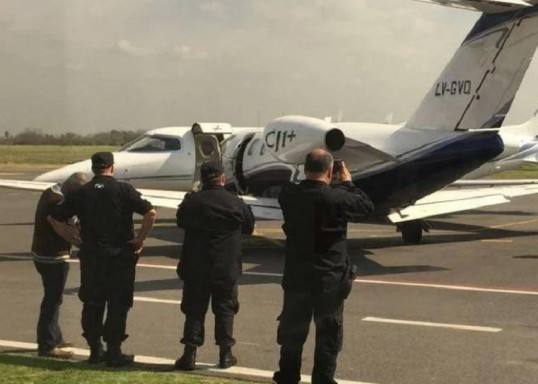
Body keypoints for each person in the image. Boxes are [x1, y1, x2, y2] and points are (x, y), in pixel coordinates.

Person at [273, 150, 374, 384]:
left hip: (297, 277)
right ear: (330, 171)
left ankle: (287, 376)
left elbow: (292, 185)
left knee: (292, 333)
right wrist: (347, 183)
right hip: (329, 278)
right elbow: (365, 206)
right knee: (328, 335)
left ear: (306, 168)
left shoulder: (289, 195)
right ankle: (323, 379)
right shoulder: (337, 198)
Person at [49, 152, 156, 367]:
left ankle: (95, 349)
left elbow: (53, 217)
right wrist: (139, 239)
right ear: (112, 167)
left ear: (94, 168)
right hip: (119, 256)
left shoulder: (82, 192)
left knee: (92, 302)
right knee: (118, 304)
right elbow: (150, 213)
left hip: (92, 255)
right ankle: (114, 351)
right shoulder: (123, 190)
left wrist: (74, 239)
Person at [174, 160, 255, 371]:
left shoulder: (192, 202)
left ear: (202, 179)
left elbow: (180, 221)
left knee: (194, 309)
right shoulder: (234, 202)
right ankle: (225, 353)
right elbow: (249, 226)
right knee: (225, 308)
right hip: (225, 266)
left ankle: (189, 353)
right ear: (222, 177)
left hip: (196, 265)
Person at [33, 172, 89, 359]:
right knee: (52, 299)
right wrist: (81, 243)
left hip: (43, 252)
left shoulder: (53, 191)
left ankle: (55, 337)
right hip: (52, 256)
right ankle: (47, 345)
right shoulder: (58, 200)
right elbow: (59, 226)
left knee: (54, 298)